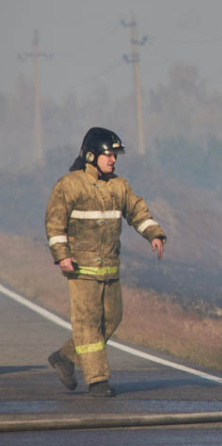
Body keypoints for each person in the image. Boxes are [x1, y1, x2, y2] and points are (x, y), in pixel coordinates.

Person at [44, 127, 168, 397]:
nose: (113, 160)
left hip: (110, 269)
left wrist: (154, 234)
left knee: (111, 318)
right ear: (91, 156)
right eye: (108, 155)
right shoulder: (70, 184)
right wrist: (62, 255)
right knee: (88, 323)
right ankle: (98, 381)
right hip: (81, 268)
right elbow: (55, 224)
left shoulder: (119, 186)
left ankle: (65, 357)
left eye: (115, 155)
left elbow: (137, 211)